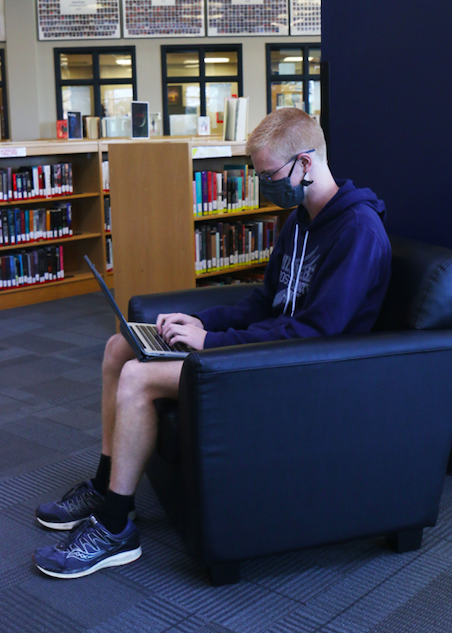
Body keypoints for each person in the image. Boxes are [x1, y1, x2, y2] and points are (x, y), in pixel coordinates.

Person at [33, 108, 392, 579]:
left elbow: (314, 333)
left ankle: (116, 527)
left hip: (303, 371)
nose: (264, 184)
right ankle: (104, 486)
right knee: (120, 346)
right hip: (267, 351)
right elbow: (265, 303)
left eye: (268, 174)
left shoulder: (358, 232)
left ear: (306, 164)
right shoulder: (299, 221)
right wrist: (197, 321)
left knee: (138, 377)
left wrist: (213, 341)